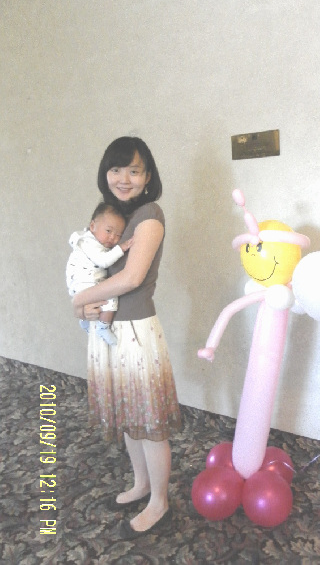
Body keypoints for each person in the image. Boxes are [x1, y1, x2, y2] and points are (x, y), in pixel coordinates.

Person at [72, 136, 182, 539]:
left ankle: (160, 502)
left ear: (147, 176)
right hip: (110, 330)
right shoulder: (115, 215)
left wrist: (80, 300)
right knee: (128, 418)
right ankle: (141, 485)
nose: (123, 178)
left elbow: (132, 277)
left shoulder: (149, 214)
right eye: (116, 169)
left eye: (133, 170)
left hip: (135, 332)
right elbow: (92, 268)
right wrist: (86, 306)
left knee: (148, 422)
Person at [66, 202, 133, 345]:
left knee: (97, 304)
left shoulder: (89, 241)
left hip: (83, 283)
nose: (113, 238)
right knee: (111, 296)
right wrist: (121, 248)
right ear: (92, 226)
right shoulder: (88, 243)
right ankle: (103, 327)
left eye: (118, 235)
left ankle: (85, 322)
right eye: (108, 231)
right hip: (85, 282)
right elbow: (104, 261)